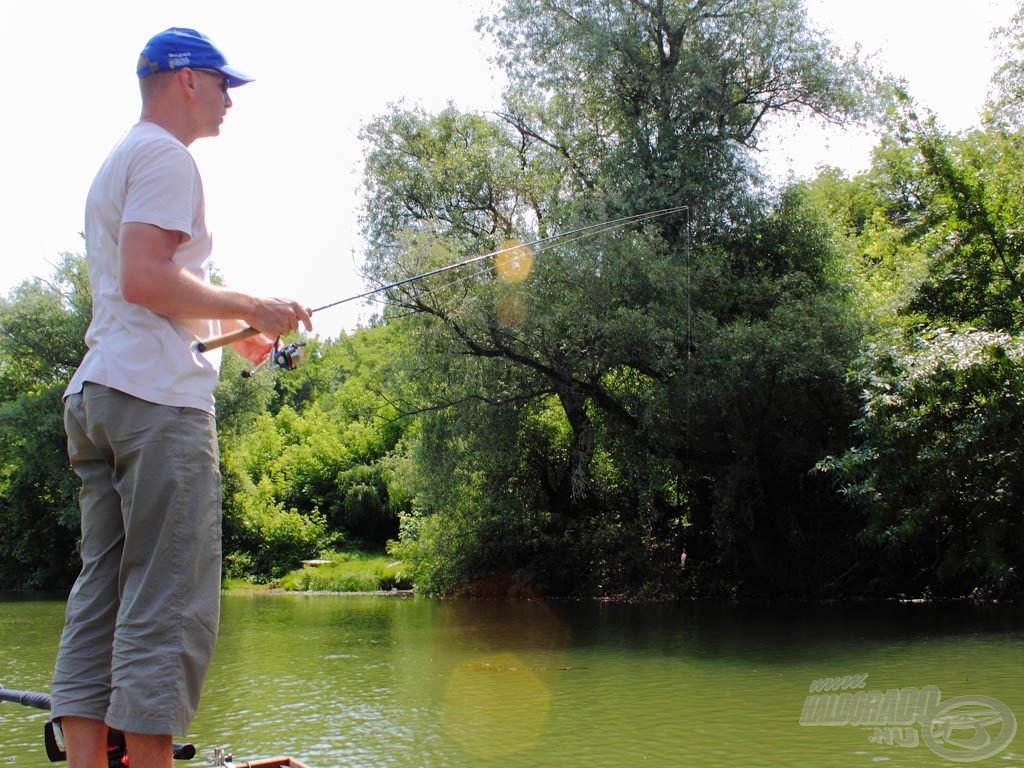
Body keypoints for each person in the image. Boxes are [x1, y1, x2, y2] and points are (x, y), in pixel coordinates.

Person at [50, 27, 312, 768]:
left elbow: (151, 286)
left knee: (101, 593)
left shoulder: (121, 159)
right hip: (155, 406)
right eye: (223, 82)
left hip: (101, 393)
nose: (231, 97)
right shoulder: (167, 156)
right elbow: (146, 277)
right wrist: (255, 303)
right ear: (185, 80)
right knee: (167, 601)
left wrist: (236, 325)